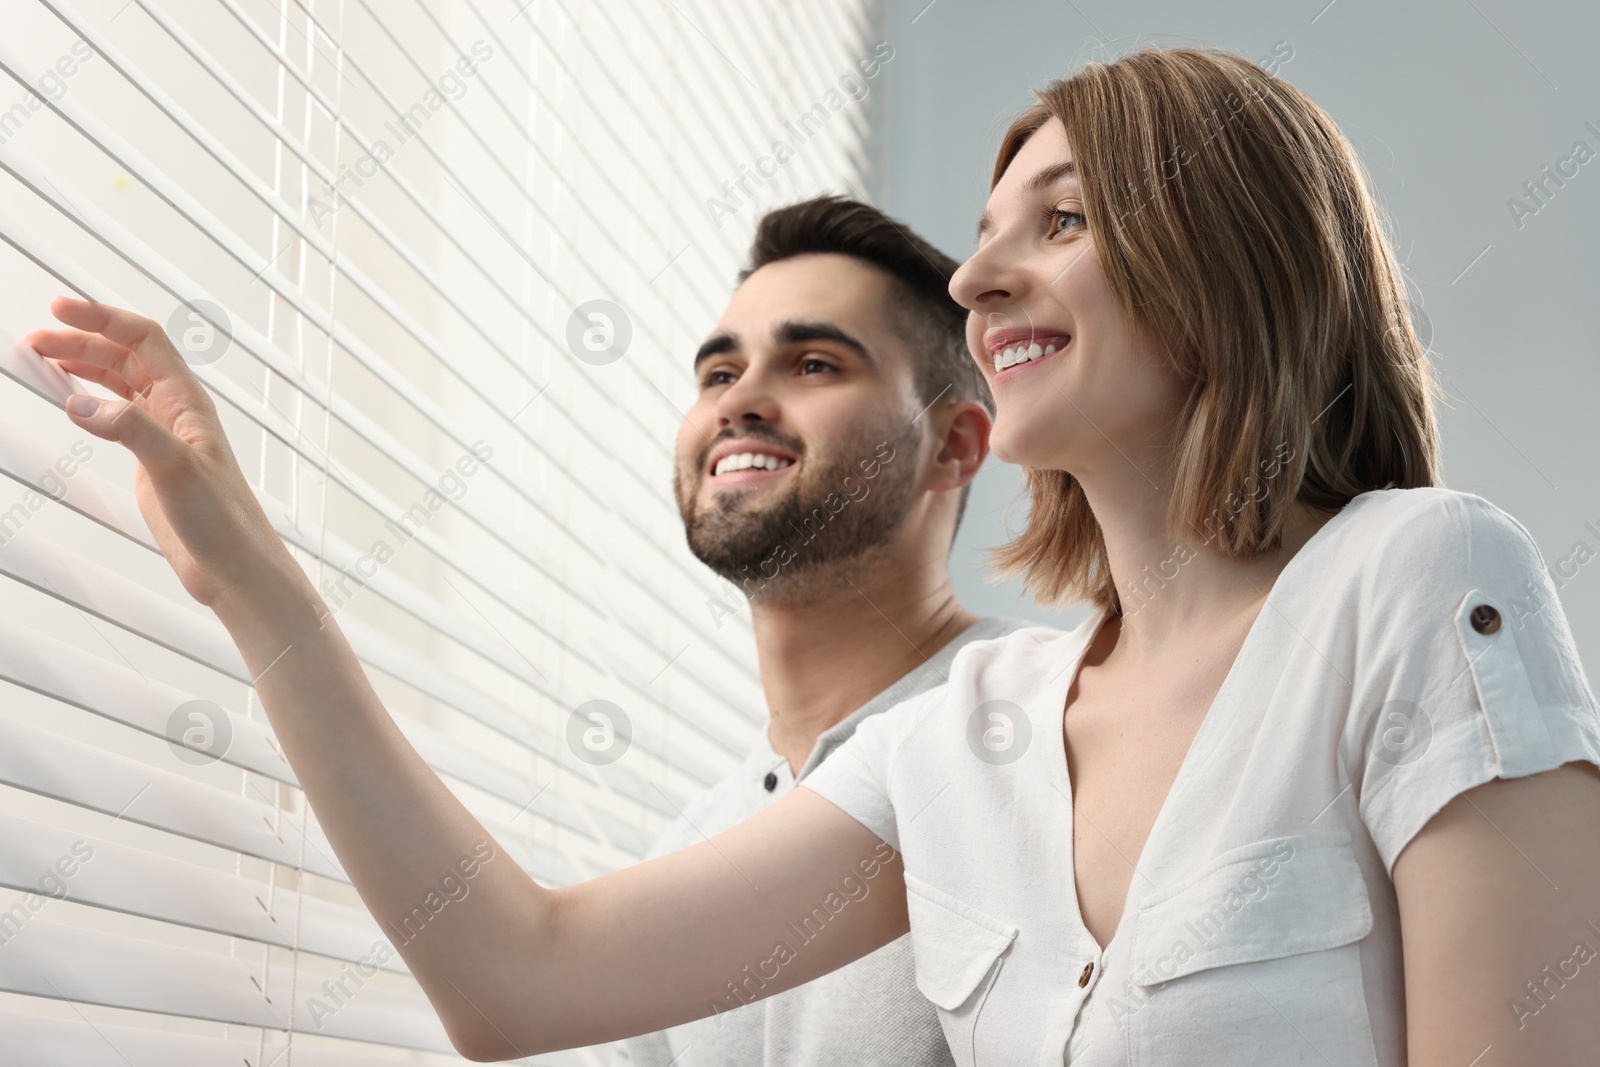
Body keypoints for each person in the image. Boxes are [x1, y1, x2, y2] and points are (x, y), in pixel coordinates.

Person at [26, 45, 1600, 1067]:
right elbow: (517, 973)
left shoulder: (1415, 582)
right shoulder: (966, 744)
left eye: (1057, 219)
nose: (982, 273)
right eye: (989, 230)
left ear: (1232, 252)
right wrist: (248, 573)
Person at [608, 196, 1018, 1067]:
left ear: (953, 446)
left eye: (815, 364)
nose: (742, 400)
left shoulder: (1059, 726)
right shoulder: (687, 852)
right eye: (719, 374)